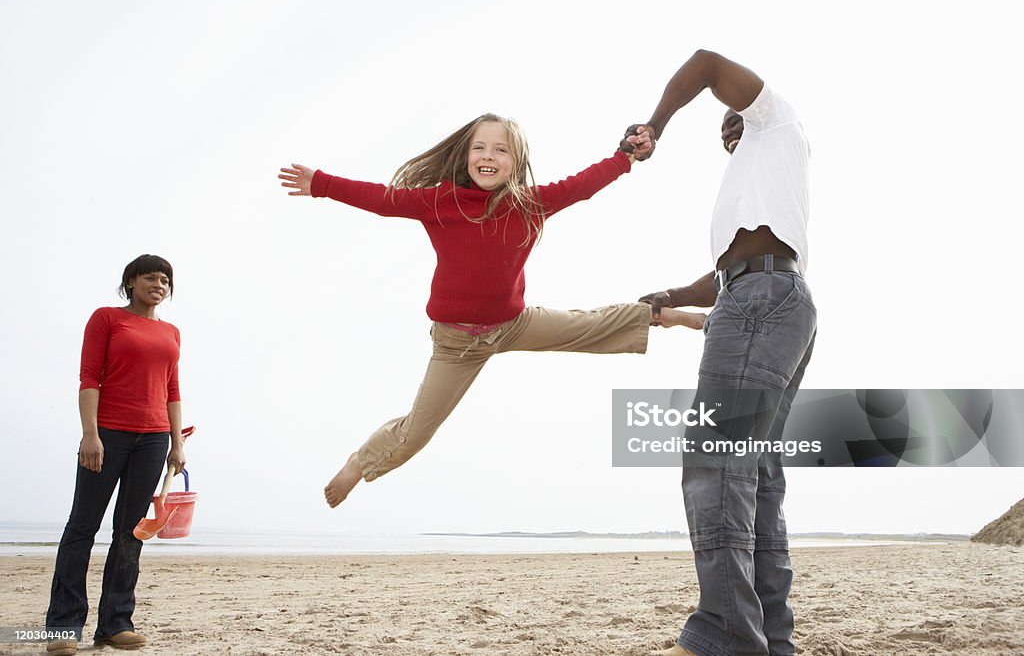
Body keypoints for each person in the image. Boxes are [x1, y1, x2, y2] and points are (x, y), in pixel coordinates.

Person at [278, 113, 706, 508]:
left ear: (515, 162)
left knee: (588, 326)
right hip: (457, 342)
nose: (488, 156)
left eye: (501, 150)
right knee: (417, 433)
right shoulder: (438, 202)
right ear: (466, 157)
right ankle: (361, 462)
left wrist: (624, 157)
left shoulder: (529, 203)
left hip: (513, 324)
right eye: (480, 148)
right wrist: (321, 183)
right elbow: (380, 199)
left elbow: (581, 186)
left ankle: (660, 314)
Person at [625, 51, 817, 656]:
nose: (729, 125)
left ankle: (727, 634)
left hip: (763, 299)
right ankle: (769, 641)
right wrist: (672, 296)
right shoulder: (753, 187)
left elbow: (706, 63)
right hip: (769, 296)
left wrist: (653, 124)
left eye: (736, 113)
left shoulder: (778, 122)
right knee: (755, 476)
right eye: (723, 127)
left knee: (715, 458)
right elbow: (729, 271)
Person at [45, 255, 186, 655]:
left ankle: (115, 624)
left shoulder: (172, 332)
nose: (158, 284)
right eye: (149, 277)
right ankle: (63, 628)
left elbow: (172, 390)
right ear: (130, 282)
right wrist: (90, 434)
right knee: (81, 528)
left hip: (154, 439)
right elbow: (90, 376)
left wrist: (178, 443)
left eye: (164, 279)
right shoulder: (107, 318)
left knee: (130, 534)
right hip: (108, 434)